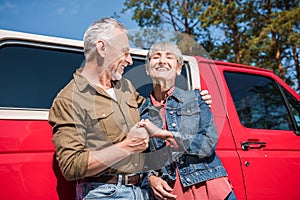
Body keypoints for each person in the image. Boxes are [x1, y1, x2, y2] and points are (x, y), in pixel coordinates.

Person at [48, 18, 212, 200]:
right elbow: (71, 166)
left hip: (143, 191)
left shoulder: (124, 86)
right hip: (105, 192)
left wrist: (191, 99)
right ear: (102, 48)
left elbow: (157, 107)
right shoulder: (69, 99)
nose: (130, 60)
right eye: (124, 52)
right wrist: (126, 147)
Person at [138, 42, 236, 200]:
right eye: (156, 56)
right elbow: (141, 160)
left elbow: (207, 144)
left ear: (178, 69)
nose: (162, 60)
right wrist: (150, 179)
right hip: (173, 193)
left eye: (169, 57)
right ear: (148, 69)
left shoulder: (196, 99)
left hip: (211, 187)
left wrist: (166, 134)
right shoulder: (141, 114)